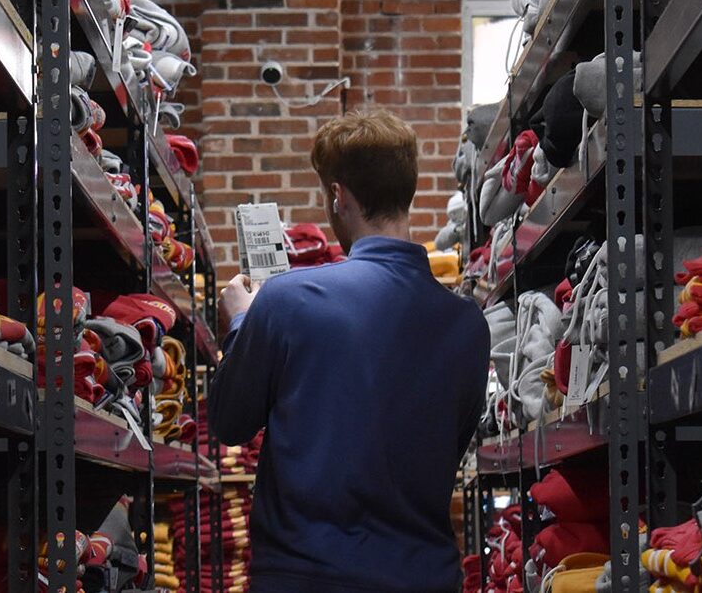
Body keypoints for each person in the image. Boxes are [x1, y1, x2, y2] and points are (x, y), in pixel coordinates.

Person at [209, 109, 491, 593]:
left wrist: (240, 322)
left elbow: (230, 423)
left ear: (339, 196)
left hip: (305, 577)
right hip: (424, 577)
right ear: (407, 191)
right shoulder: (470, 326)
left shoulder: (285, 300)